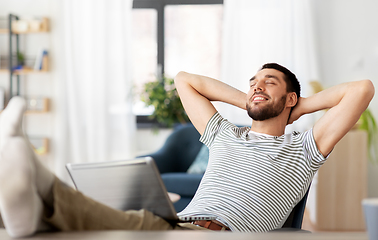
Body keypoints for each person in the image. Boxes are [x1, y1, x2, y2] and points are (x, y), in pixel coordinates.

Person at [0, 63, 374, 237]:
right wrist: (250, 100)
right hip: (180, 224)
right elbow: (185, 81)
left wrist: (297, 107)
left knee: (113, 226)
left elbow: (361, 89)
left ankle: (34, 187)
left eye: (269, 83)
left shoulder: (303, 148)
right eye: (252, 82)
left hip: (220, 234)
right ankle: (32, 199)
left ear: (290, 96)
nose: (257, 86)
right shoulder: (226, 134)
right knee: (103, 223)